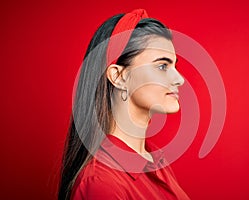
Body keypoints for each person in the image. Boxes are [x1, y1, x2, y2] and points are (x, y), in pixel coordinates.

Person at [58, 9, 190, 200]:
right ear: (118, 77)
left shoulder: (156, 161)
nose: (179, 79)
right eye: (162, 66)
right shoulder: (101, 183)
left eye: (174, 66)